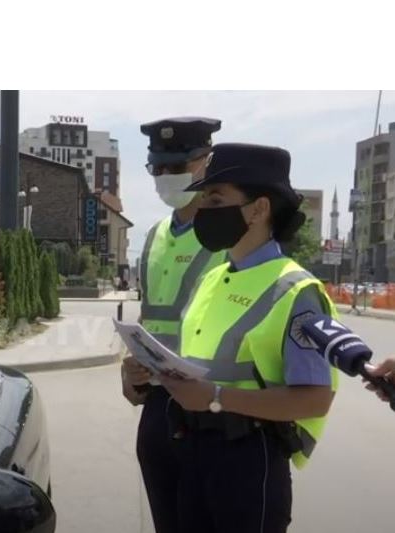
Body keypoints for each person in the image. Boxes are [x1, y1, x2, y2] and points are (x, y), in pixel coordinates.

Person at [155, 143, 338, 533]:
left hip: (249, 462)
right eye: (204, 198)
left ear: (259, 209)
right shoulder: (212, 278)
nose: (203, 209)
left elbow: (314, 399)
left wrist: (216, 398)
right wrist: (151, 370)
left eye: (216, 199)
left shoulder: (296, 289)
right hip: (194, 450)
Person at [121, 117, 225, 533]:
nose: (166, 177)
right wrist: (132, 371)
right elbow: (150, 317)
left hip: (211, 408)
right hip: (158, 406)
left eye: (177, 167)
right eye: (157, 168)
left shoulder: (230, 234)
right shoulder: (155, 235)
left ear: (206, 162)